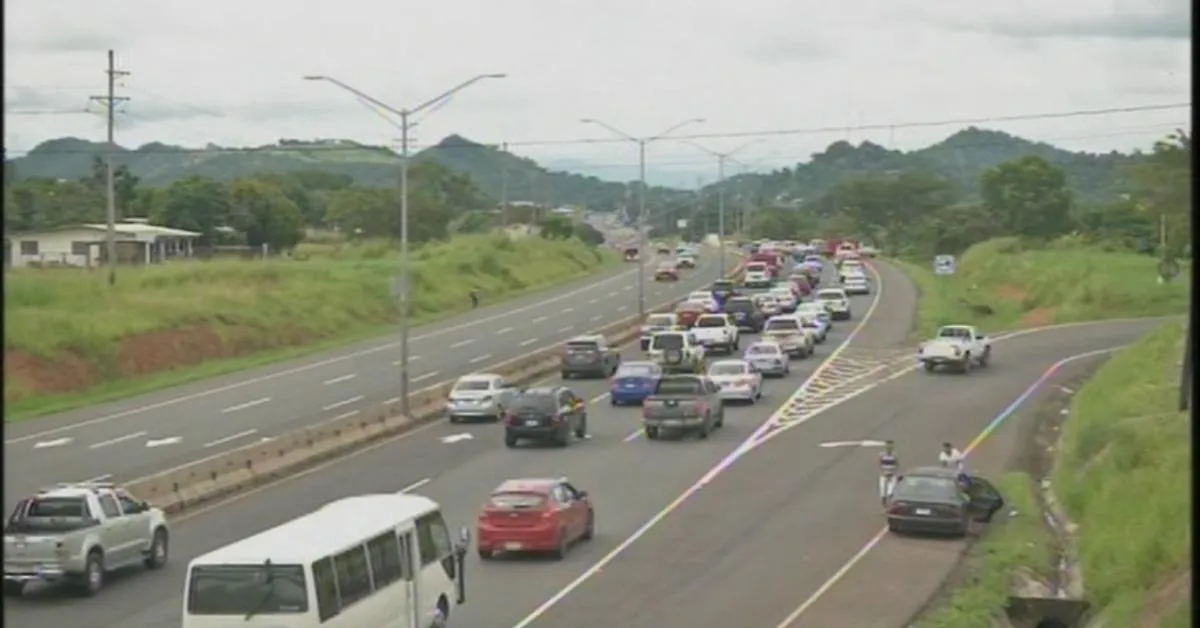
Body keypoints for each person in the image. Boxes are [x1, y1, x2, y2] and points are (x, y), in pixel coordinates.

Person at [878, 440, 899, 506]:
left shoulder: (895, 455)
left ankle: (890, 499)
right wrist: (883, 472)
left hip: (892, 474)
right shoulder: (882, 455)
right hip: (884, 474)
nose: (889, 447)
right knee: (882, 488)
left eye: (891, 446)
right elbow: (880, 464)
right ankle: (883, 499)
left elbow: (896, 465)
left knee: (891, 490)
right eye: (888, 446)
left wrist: (892, 473)